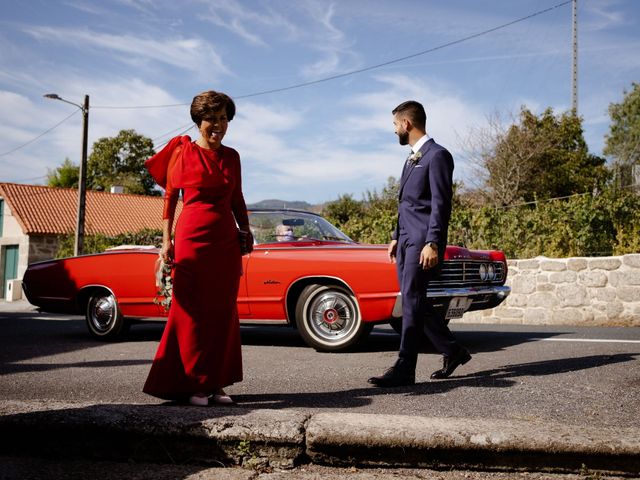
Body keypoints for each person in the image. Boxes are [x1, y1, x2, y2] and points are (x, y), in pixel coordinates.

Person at [143, 90, 253, 406]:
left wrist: (245, 229)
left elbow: (237, 198)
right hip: (191, 237)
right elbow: (170, 199)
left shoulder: (233, 156)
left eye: (223, 119)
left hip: (225, 241)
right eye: (211, 119)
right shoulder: (182, 152)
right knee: (190, 311)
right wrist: (166, 242)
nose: (218, 125)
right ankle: (192, 382)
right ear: (198, 121)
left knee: (222, 311)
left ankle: (216, 382)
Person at [368, 100, 471, 388]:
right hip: (404, 242)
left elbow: (441, 204)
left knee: (411, 303)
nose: (394, 131)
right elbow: (405, 205)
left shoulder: (438, 156)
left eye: (394, 125)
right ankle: (454, 351)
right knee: (416, 302)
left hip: (422, 243)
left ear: (406, 124)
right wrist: (393, 236)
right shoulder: (411, 158)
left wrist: (433, 243)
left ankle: (404, 367)